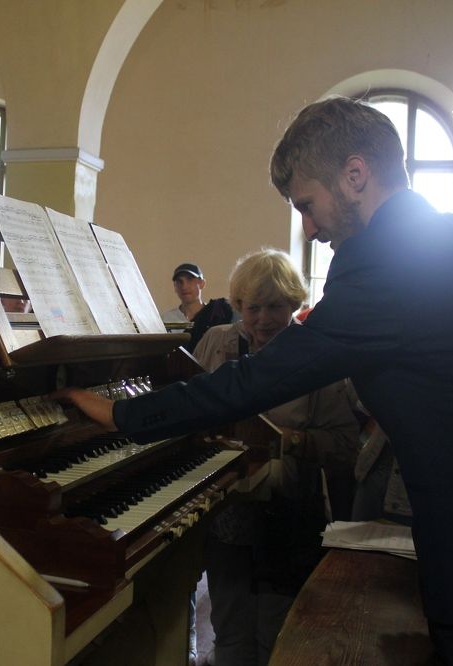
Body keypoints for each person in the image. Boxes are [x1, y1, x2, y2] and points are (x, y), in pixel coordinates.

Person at [55, 97, 453, 665]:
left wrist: (123, 413)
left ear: (355, 175)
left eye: (307, 205)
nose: (310, 229)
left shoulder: (384, 261)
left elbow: (262, 378)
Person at [194, 248, 359, 666]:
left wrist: (292, 440)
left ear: (294, 305)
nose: (264, 319)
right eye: (253, 308)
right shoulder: (217, 343)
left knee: (277, 634)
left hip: (289, 514)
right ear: (238, 305)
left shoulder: (316, 356)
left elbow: (345, 445)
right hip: (227, 512)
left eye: (276, 307)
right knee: (229, 627)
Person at [161, 262, 234, 352]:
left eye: (190, 280)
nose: (184, 286)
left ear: (202, 283)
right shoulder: (165, 320)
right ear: (175, 287)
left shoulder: (216, 315)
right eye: (180, 282)